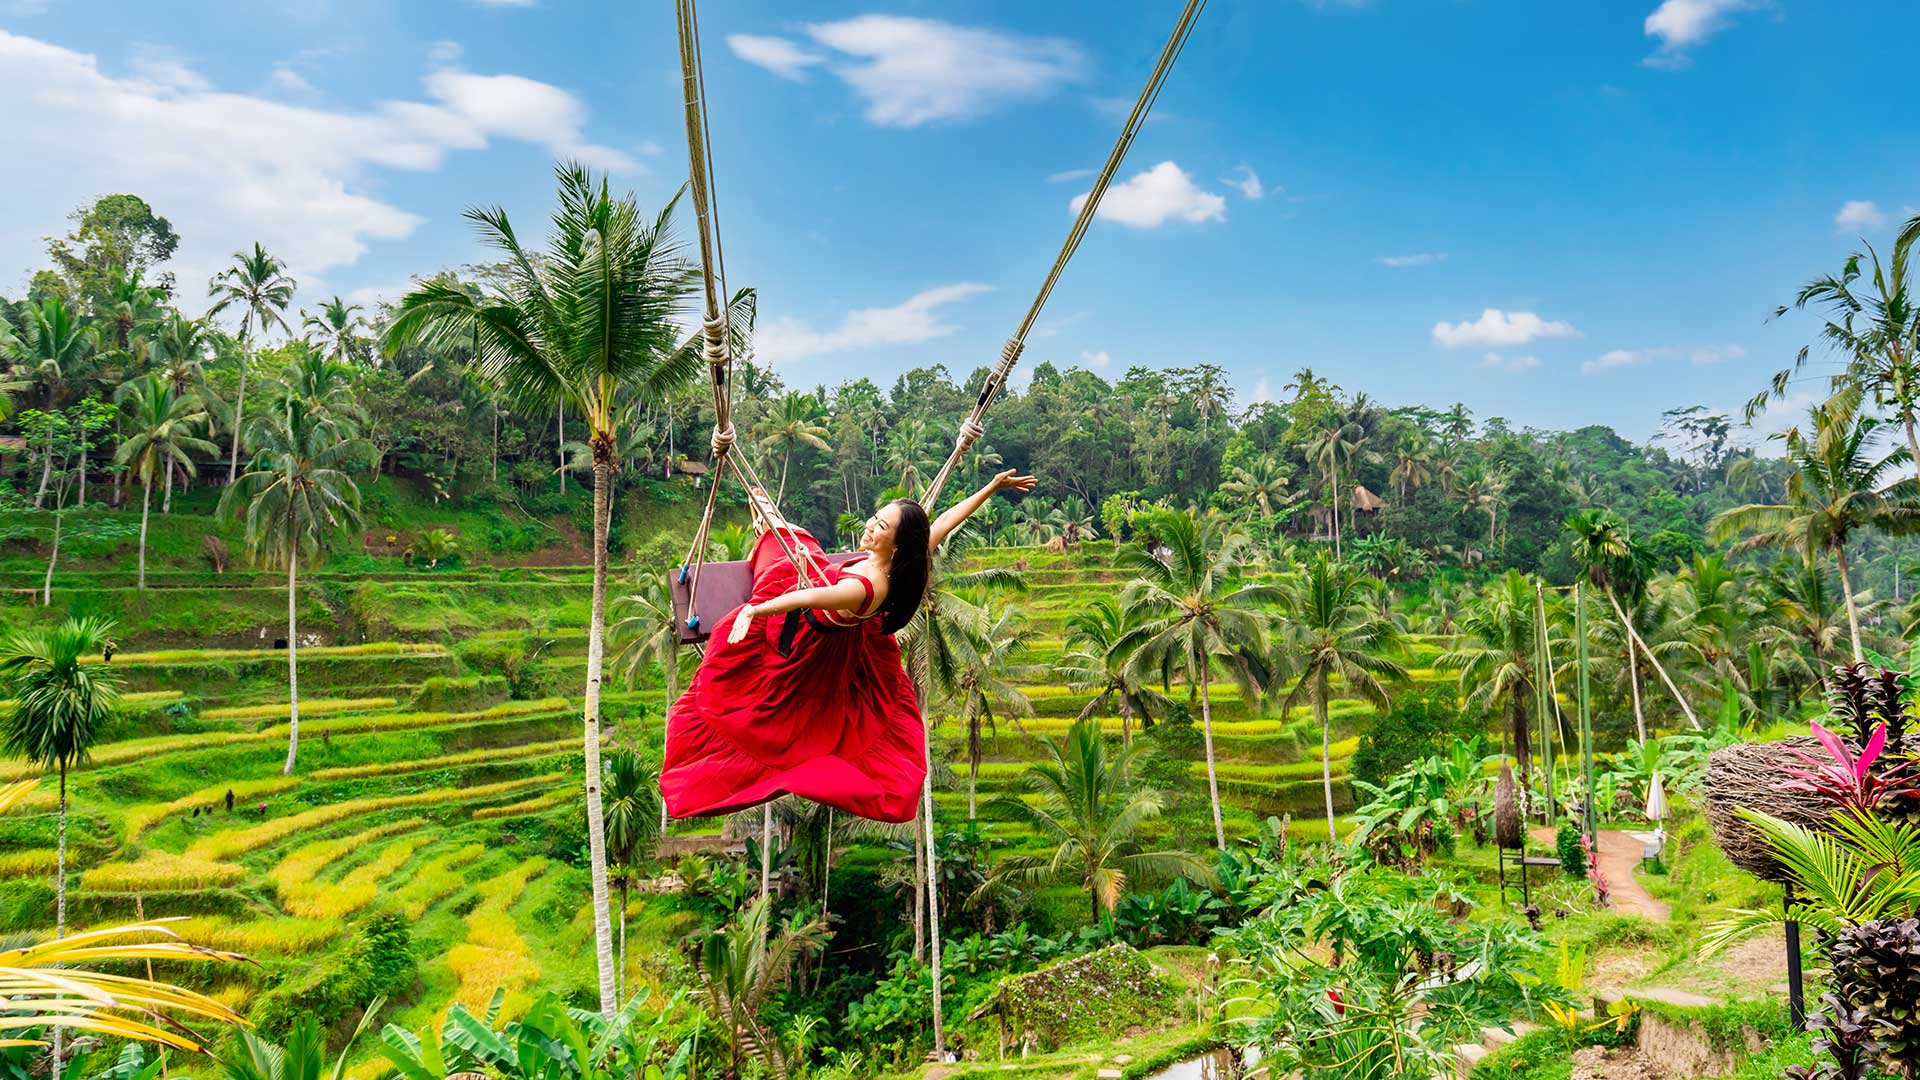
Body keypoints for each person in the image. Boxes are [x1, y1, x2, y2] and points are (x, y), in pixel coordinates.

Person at [662, 466, 1036, 823]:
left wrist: (755, 611)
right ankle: (768, 519)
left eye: (881, 527)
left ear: (896, 544)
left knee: (731, 697)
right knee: (794, 539)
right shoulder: (901, 561)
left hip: (801, 642)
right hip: (817, 589)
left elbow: (805, 599)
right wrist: (991, 488)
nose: (870, 526)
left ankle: (768, 520)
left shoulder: (865, 586)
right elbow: (945, 521)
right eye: (875, 517)